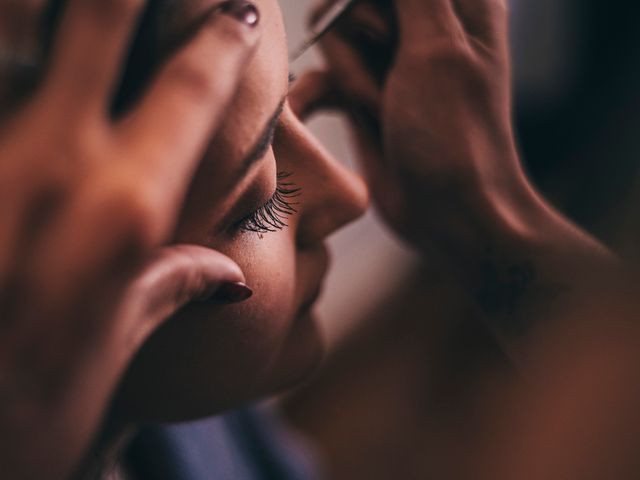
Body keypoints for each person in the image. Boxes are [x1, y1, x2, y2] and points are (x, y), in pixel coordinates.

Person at [0, 0, 634, 479]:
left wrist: (492, 220)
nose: (350, 192)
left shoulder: (190, 410)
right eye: (259, 200)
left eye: (290, 100)